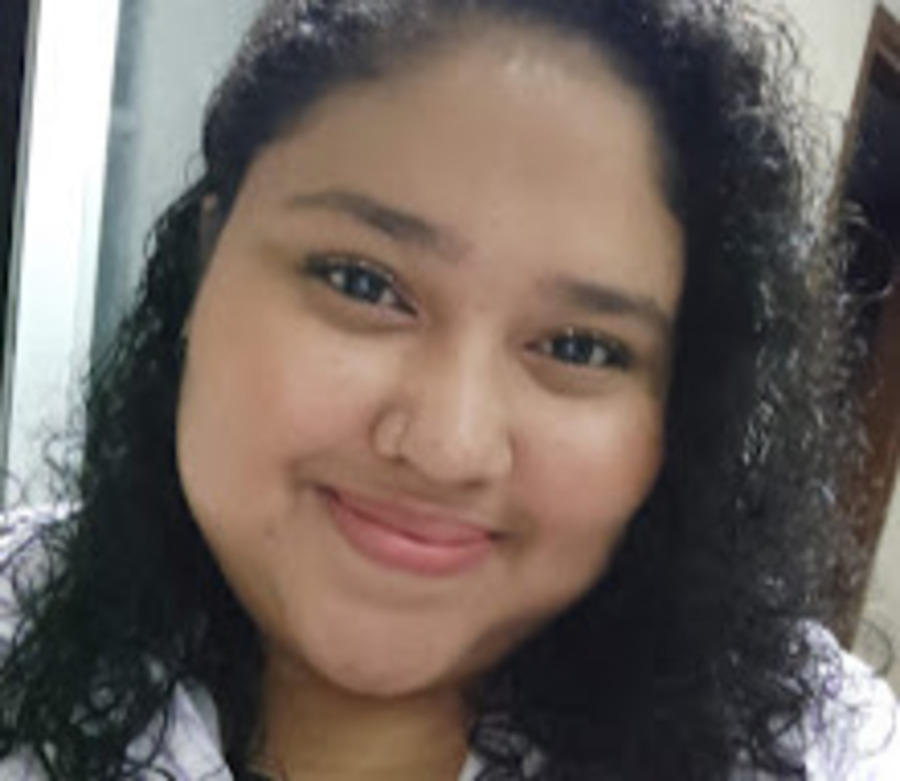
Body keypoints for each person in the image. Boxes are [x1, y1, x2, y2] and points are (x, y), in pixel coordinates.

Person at [0, 0, 897, 778]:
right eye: (362, 284)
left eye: (579, 346)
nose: (447, 444)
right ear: (207, 261)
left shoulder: (813, 747)